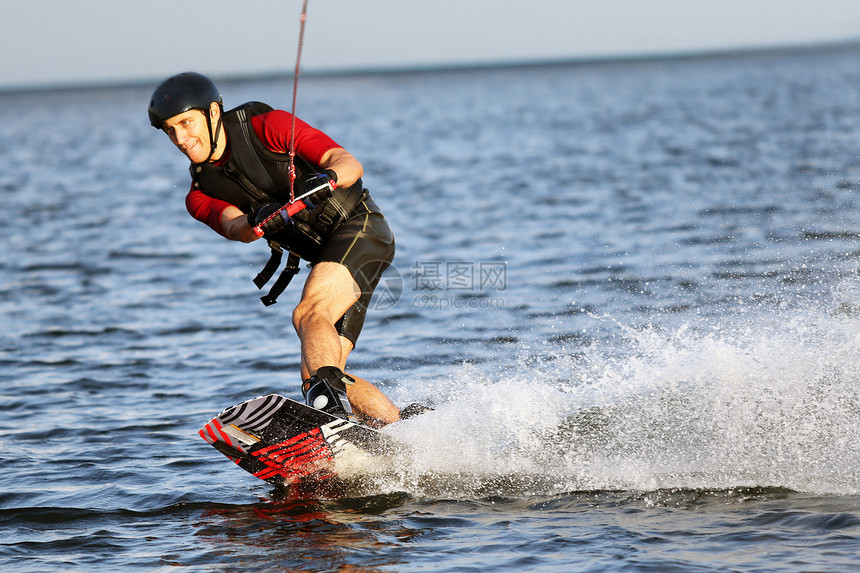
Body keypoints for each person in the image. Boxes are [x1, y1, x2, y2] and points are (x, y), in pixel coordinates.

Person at [148, 71, 401, 427]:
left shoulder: (269, 126)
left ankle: (331, 417)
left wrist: (326, 179)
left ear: (214, 113)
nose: (180, 138)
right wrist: (256, 221)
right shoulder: (199, 194)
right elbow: (235, 226)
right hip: (328, 259)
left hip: (360, 230)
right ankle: (400, 431)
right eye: (170, 130)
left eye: (187, 123)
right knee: (321, 369)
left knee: (308, 314)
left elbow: (348, 163)